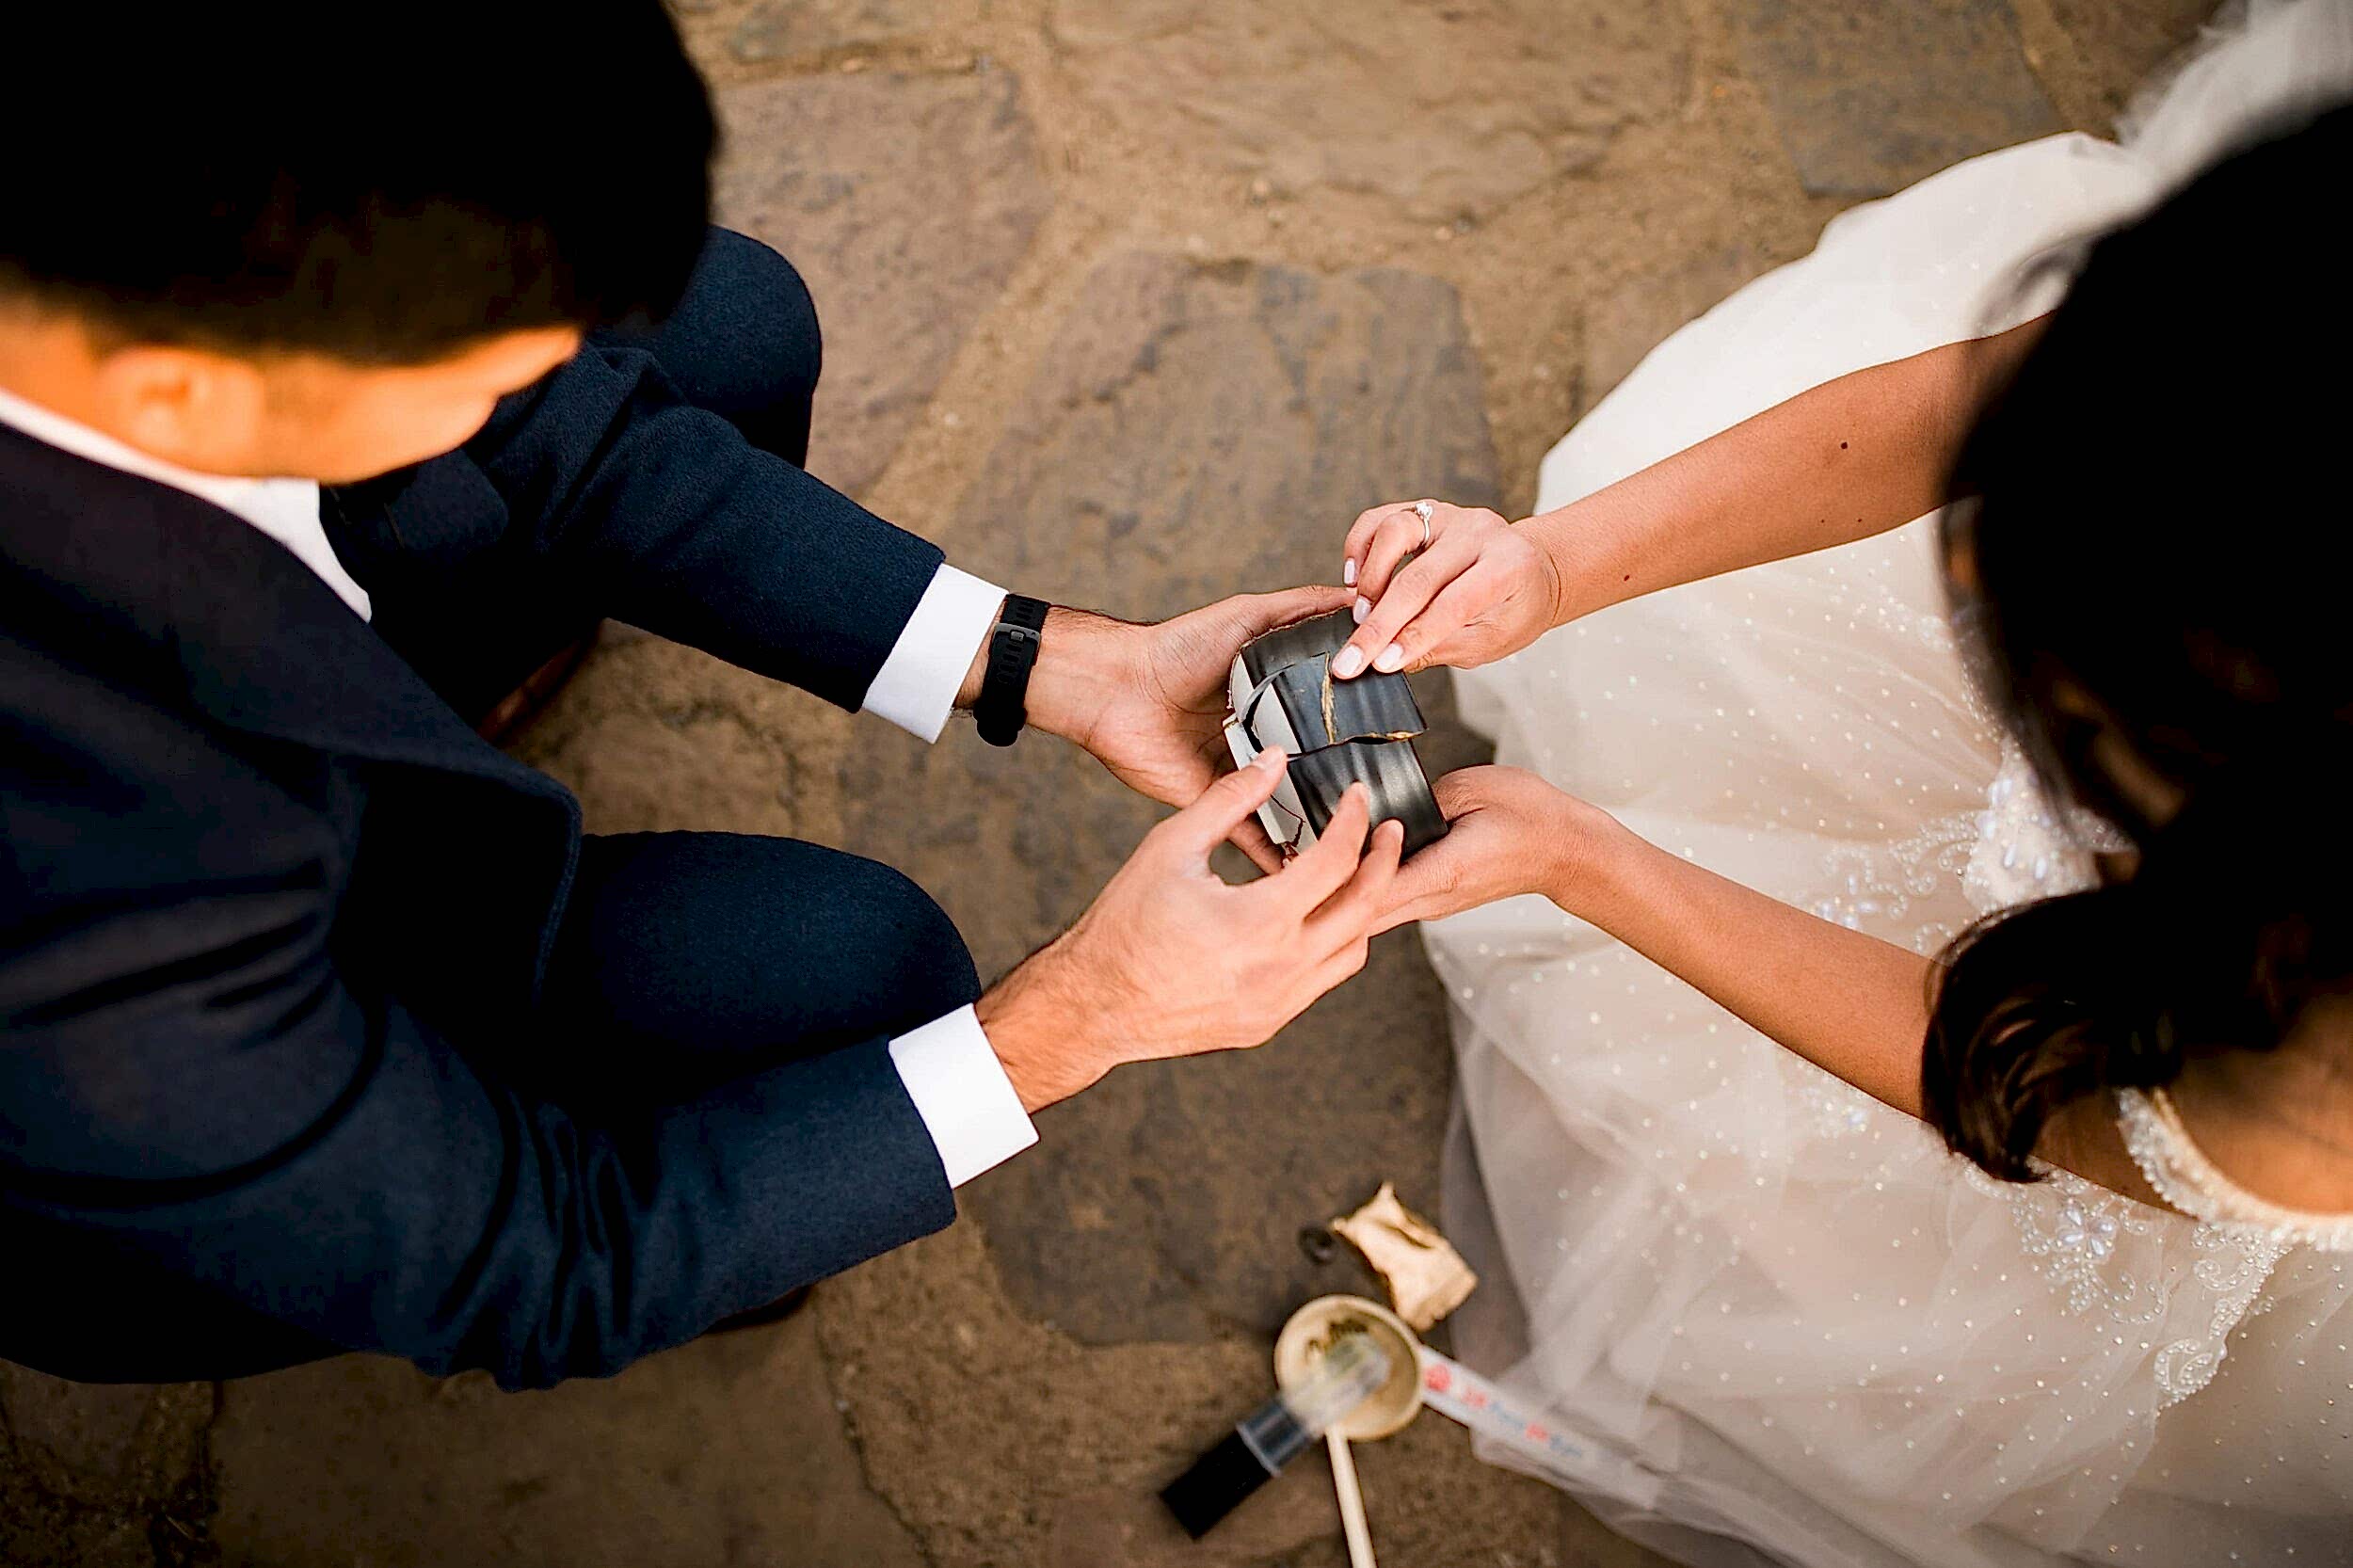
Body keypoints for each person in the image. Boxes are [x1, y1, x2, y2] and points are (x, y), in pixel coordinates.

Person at [0, 3, 1401, 1392]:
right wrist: (1084, 1016)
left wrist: (1052, 659)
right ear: (185, 393)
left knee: (725, 323)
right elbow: (546, 1261)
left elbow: (561, 426)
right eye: (484, 361)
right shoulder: (106, 903)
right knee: (870, 986)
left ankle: (449, 695)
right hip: (224, 1114)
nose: (540, 371)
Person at [1336, 3, 2353, 1562]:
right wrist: (1551, 567)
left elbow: (2066, 1106)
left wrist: (1593, 863)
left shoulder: (2318, 1075)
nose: (1961, 582)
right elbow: (1980, 407)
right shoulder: (2275, 334)